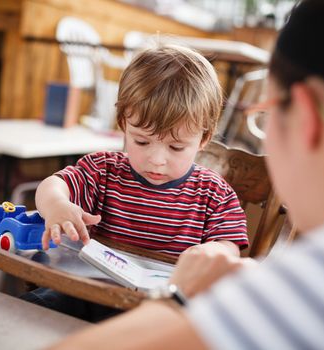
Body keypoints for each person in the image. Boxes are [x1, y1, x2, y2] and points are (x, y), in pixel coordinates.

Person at [46, 0, 324, 348]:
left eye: (267, 112)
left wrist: (179, 296)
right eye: (143, 141)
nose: (157, 160)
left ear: (307, 118)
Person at [22, 44, 249, 321]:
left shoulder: (214, 194)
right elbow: (53, 186)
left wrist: (213, 250)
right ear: (123, 124)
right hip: (88, 290)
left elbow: (228, 248)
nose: (156, 160)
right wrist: (56, 204)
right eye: (142, 141)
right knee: (31, 311)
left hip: (160, 312)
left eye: (176, 148)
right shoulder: (103, 171)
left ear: (203, 139)